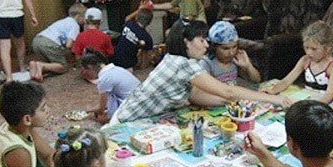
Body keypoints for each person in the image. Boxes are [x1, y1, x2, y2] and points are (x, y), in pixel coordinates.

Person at [111, 19, 293, 123]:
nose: (206, 45)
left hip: (136, 117)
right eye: (201, 40)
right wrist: (274, 99)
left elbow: (196, 96)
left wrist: (235, 102)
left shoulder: (179, 60)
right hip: (127, 120)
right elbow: (228, 91)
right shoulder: (183, 64)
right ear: (186, 42)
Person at [263, 21, 333, 104]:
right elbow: (287, 81)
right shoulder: (305, 60)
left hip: (324, 103)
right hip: (308, 98)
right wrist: (273, 91)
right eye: (306, 47)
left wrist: (315, 106)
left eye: (314, 49)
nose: (309, 52)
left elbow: (329, 94)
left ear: (327, 48)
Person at [80, 49, 141, 124]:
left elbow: (101, 108)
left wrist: (90, 111)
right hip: (138, 99)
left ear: (90, 67)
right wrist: (92, 109)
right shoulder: (117, 68)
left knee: (101, 118)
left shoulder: (104, 79)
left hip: (133, 106)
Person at [29, 3, 87, 81]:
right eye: (84, 17)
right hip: (49, 43)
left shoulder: (64, 20)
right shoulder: (75, 25)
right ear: (78, 16)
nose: (85, 20)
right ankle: (41, 65)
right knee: (63, 67)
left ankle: (34, 66)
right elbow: (69, 45)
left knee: (52, 65)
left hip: (37, 41)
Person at [201, 21, 261, 85]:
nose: (231, 53)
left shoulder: (236, 59)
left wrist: (248, 65)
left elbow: (256, 81)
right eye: (226, 48)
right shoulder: (207, 63)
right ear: (214, 47)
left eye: (234, 47)